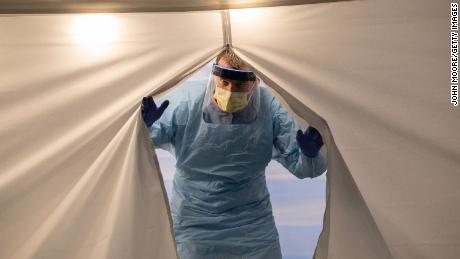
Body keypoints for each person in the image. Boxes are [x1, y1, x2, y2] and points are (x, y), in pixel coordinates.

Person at [141, 49, 327, 259]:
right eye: (225, 82)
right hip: (194, 221)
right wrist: (143, 129)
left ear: (255, 82)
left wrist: (310, 156)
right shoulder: (186, 102)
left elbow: (301, 166)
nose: (230, 91)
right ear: (214, 77)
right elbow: (147, 143)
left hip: (252, 226)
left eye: (239, 85)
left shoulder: (270, 108)